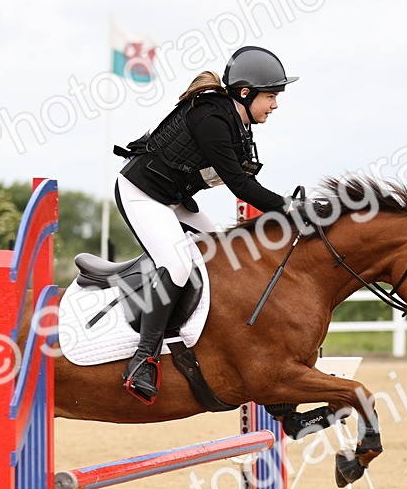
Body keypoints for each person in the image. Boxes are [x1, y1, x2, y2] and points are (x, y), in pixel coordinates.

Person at [112, 45, 299, 404]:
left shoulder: (239, 123)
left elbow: (249, 182)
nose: (275, 105)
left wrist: (289, 207)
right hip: (140, 193)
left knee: (230, 256)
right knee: (178, 263)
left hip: (172, 200)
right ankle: (142, 360)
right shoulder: (212, 119)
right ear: (245, 93)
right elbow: (242, 187)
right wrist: (290, 207)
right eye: (271, 96)